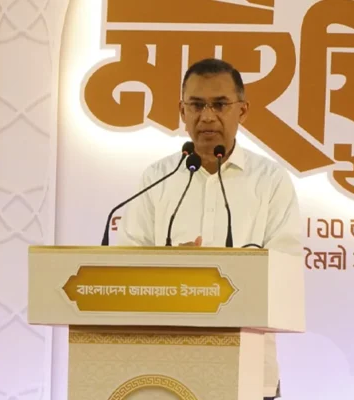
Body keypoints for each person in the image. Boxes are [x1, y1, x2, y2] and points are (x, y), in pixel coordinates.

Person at [116, 58, 302, 399]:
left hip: (248, 369)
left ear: (242, 111)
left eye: (219, 104)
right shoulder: (157, 178)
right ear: (181, 111)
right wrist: (171, 268)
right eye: (196, 105)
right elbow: (125, 265)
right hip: (164, 369)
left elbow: (285, 270)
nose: (207, 116)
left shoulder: (270, 181)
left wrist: (216, 274)